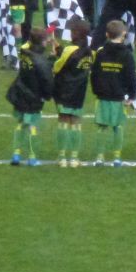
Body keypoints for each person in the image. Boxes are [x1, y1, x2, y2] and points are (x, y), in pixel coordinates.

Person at [90, 18, 136, 167]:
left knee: (102, 127)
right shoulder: (127, 54)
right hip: (119, 96)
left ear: (106, 34)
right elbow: (131, 76)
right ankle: (117, 157)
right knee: (118, 126)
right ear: (123, 34)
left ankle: (99, 157)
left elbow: (94, 74)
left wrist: (96, 90)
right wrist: (131, 95)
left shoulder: (100, 52)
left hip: (102, 95)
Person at [5, 28, 53, 166]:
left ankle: (16, 155)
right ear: (43, 42)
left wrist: (49, 59)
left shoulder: (24, 52)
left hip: (20, 92)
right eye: (46, 40)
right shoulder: (40, 61)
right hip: (34, 97)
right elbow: (47, 80)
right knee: (32, 126)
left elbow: (36, 63)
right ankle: (32, 157)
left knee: (20, 124)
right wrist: (47, 96)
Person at [51, 18, 91, 168]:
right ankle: (74, 158)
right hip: (79, 90)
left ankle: (62, 157)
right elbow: (72, 58)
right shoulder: (89, 51)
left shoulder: (69, 50)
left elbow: (57, 67)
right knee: (76, 120)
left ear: (75, 33)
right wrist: (59, 49)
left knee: (63, 119)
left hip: (63, 90)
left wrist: (54, 55)